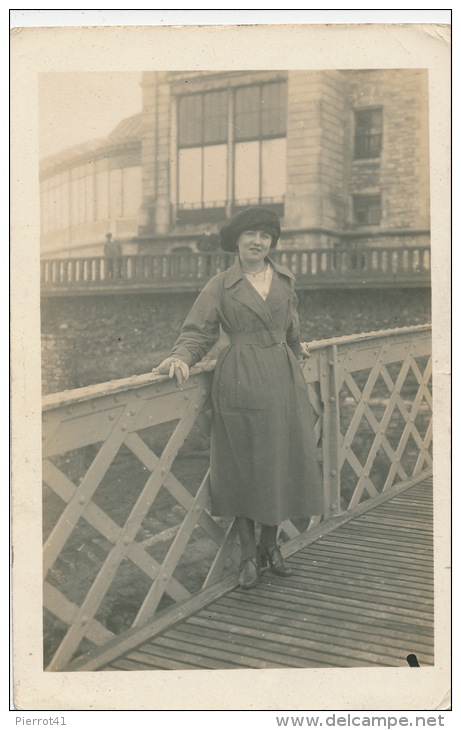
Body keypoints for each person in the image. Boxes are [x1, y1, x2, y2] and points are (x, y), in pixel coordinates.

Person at [154, 207, 324, 589]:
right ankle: (248, 555)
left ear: (271, 243)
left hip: (283, 379)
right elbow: (199, 331)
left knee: (280, 461)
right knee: (244, 465)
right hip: (240, 379)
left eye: (264, 235)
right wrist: (181, 356)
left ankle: (270, 546)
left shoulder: (284, 279)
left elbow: (292, 328)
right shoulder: (220, 285)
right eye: (250, 234)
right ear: (236, 240)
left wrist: (298, 348)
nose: (257, 241)